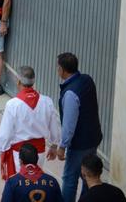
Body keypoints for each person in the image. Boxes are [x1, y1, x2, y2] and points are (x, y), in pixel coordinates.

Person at [49, 52, 103, 202]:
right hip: (94, 137)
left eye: (57, 67)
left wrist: (62, 146)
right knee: (88, 175)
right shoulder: (87, 79)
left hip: (79, 144)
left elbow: (69, 124)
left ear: (62, 70)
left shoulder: (70, 94)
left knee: (69, 178)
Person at [0, 66, 61, 180]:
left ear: (18, 81)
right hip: (39, 152)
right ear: (33, 81)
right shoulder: (47, 102)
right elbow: (54, 128)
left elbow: (4, 133)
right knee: (36, 179)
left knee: (20, 183)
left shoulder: (12, 104)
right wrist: (54, 145)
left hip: (19, 153)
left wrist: (2, 150)